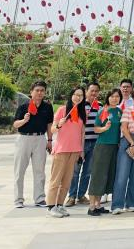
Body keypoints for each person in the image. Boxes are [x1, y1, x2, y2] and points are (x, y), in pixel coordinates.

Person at [13, 80, 54, 209]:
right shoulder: (23, 107)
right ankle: (18, 199)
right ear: (31, 92)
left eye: (42, 90)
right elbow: (15, 124)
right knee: (19, 170)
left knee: (39, 171)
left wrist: (50, 140)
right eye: (37, 90)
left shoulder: (47, 107)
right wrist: (24, 120)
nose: (39, 93)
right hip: (24, 139)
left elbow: (49, 125)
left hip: (40, 138)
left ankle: (39, 198)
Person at [46, 86, 86, 217]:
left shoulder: (82, 113)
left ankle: (59, 205)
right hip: (61, 150)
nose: (78, 97)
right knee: (56, 179)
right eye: (76, 94)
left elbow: (82, 133)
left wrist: (81, 150)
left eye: (81, 95)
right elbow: (52, 130)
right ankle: (51, 206)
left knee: (67, 181)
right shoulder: (62, 110)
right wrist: (59, 124)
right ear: (71, 95)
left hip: (74, 150)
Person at [87, 88, 123, 216]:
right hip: (103, 146)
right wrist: (105, 128)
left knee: (107, 175)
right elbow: (96, 129)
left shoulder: (119, 111)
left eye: (117, 96)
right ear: (108, 97)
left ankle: (98, 204)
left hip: (115, 147)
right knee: (98, 175)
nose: (114, 99)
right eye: (112, 96)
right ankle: (92, 206)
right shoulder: (103, 111)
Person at [67, 81, 100, 207]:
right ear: (86, 91)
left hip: (95, 142)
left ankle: (81, 195)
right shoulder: (80, 105)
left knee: (88, 171)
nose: (94, 93)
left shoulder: (100, 106)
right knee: (75, 170)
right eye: (92, 90)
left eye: (96, 91)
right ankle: (71, 196)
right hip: (80, 142)